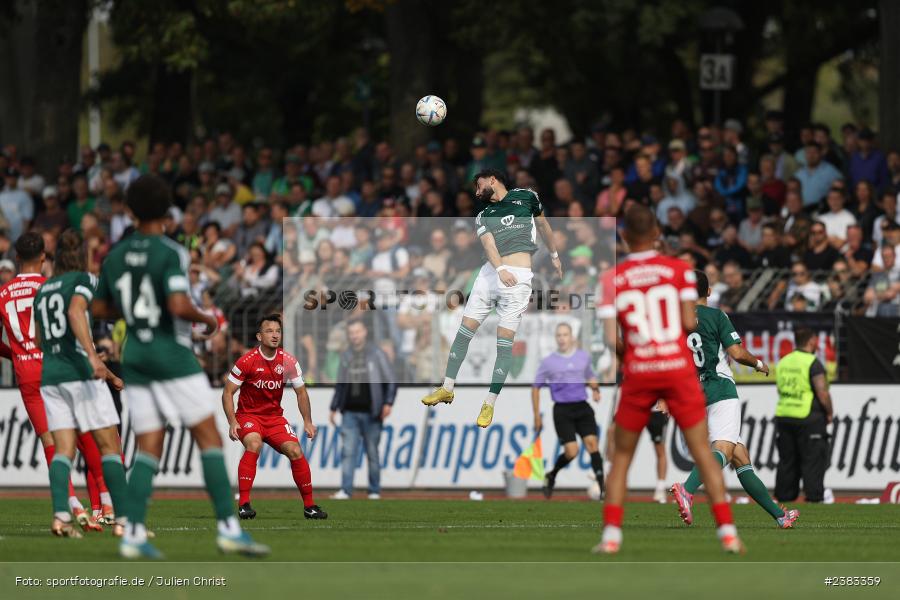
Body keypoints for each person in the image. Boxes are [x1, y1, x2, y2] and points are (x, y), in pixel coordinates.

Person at [91, 174, 268, 559]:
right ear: (168, 211)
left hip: (134, 353)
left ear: (130, 210)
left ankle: (133, 534)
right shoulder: (170, 251)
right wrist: (206, 319)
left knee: (149, 444)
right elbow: (176, 305)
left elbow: (100, 308)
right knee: (209, 437)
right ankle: (227, 529)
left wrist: (137, 312)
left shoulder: (115, 256)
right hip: (169, 352)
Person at [593, 205, 741, 555]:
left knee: (622, 457)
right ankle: (728, 534)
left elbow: (608, 339)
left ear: (625, 236)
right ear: (657, 233)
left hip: (640, 371)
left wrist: (632, 355)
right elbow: (690, 323)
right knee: (705, 453)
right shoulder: (679, 271)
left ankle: (612, 537)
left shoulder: (610, 279)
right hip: (676, 369)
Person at [421, 169, 563, 428]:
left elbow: (543, 225)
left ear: (492, 180)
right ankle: (447, 387)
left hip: (519, 277)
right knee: (464, 331)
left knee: (504, 342)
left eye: (478, 185)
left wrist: (554, 255)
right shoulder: (484, 215)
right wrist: (499, 269)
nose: (477, 192)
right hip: (491, 274)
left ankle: (489, 403)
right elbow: (489, 246)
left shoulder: (527, 197)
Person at [671, 270, 799, 529]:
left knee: (740, 456)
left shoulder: (678, 321)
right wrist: (759, 363)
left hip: (694, 393)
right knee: (725, 450)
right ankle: (687, 488)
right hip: (720, 388)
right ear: (709, 291)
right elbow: (737, 353)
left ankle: (780, 515)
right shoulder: (717, 315)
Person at [0, 232, 110, 532]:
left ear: (16, 258)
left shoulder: (4, 292)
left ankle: (71, 507)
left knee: (50, 443)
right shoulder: (50, 287)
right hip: (57, 367)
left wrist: (14, 355)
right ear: (44, 258)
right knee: (85, 435)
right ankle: (105, 503)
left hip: (25, 373)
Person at [35, 230, 130, 538]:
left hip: (51, 375)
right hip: (79, 373)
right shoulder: (85, 280)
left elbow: (38, 337)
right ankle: (124, 521)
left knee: (63, 450)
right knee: (110, 447)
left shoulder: (44, 288)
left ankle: (60, 516)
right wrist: (92, 357)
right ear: (82, 255)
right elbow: (76, 310)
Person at [222, 315, 327, 521]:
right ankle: (244, 504)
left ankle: (309, 506)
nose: (275, 335)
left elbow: (301, 393)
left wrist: (307, 421)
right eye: (269, 331)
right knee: (253, 444)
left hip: (274, 419)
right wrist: (233, 421)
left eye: (278, 331)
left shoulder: (288, 361)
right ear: (259, 336)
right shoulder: (247, 361)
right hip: (249, 416)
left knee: (296, 451)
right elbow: (227, 393)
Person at [531, 322, 603, 499]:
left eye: (565, 335)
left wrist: (595, 389)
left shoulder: (582, 357)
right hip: (562, 410)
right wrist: (536, 416)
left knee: (593, 445)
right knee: (572, 452)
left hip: (582, 407)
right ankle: (552, 474)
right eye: (559, 335)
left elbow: (589, 376)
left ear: (571, 338)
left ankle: (603, 489)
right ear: (556, 339)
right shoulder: (549, 363)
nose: (562, 338)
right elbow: (535, 388)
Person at [329, 319, 396, 500]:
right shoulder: (346, 355)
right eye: (351, 333)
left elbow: (390, 380)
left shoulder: (377, 354)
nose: (354, 336)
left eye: (357, 332)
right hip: (349, 412)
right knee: (348, 452)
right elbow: (341, 384)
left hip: (372, 412)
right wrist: (334, 407)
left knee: (372, 453)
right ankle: (346, 490)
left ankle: (374, 491)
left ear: (364, 331)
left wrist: (388, 402)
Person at [774, 328, 833, 503]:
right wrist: (829, 412)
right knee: (813, 461)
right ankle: (814, 498)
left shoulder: (783, 362)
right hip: (808, 417)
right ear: (812, 341)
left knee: (787, 461)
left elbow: (780, 388)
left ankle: (784, 500)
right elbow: (822, 393)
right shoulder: (812, 362)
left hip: (784, 415)